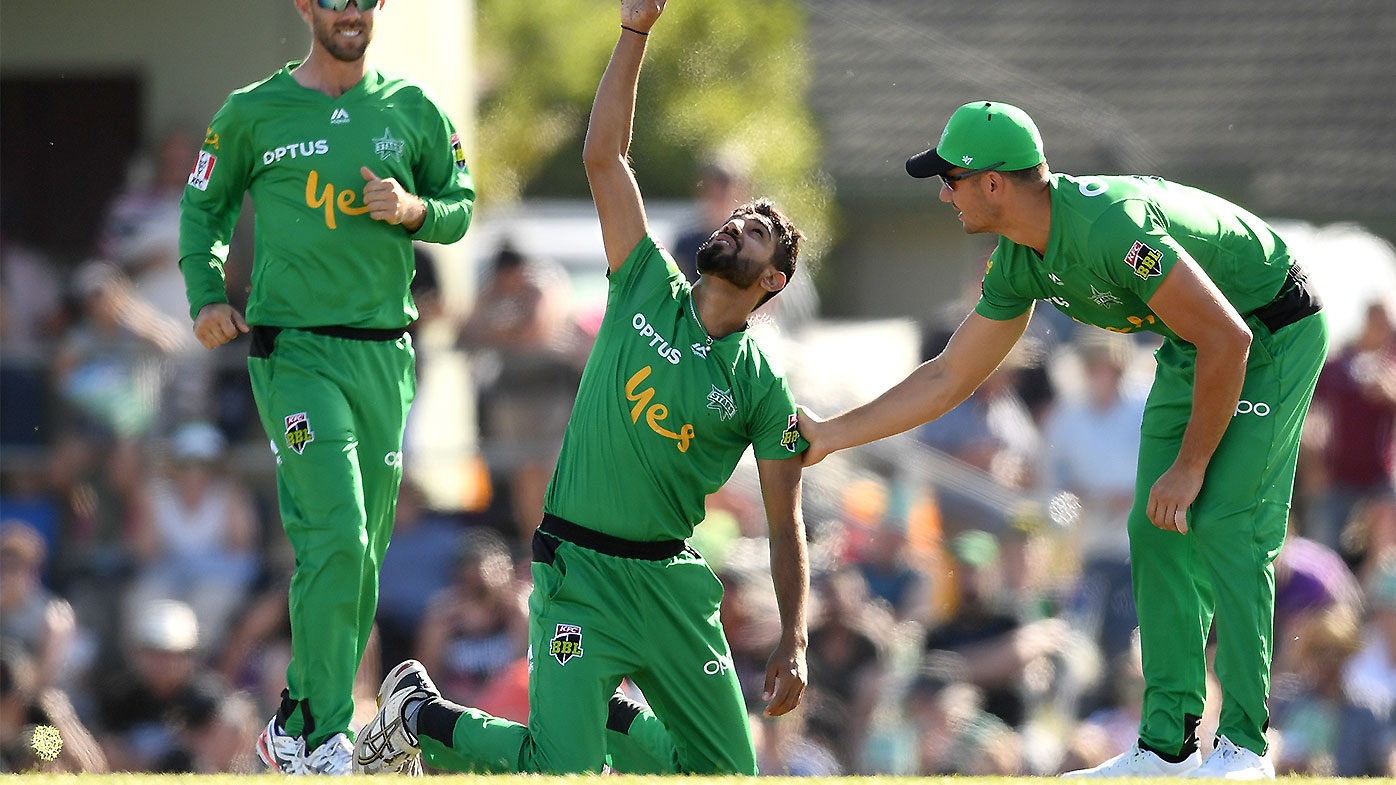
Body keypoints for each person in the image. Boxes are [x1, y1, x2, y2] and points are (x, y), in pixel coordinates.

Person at [799, 101, 1328, 779]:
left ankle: (1245, 749)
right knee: (1154, 528)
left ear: (994, 183)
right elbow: (948, 375)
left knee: (1228, 523)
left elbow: (1230, 336)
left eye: (952, 179)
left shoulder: (1111, 228)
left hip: (1272, 328)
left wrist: (1192, 465)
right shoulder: (1018, 260)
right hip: (1196, 343)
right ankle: (1166, 748)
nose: (943, 194)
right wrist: (832, 434)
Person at [354, 0, 810, 775]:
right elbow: (605, 157)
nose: (734, 225)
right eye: (736, 219)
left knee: (726, 774)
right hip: (580, 571)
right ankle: (418, 714)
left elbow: (785, 517)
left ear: (772, 280)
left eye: (755, 232)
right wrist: (634, 33)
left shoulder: (761, 383)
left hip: (670, 585)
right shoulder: (646, 282)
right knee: (561, 769)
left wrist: (794, 634)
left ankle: (603, 711)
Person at [177, 0, 475, 774]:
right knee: (336, 534)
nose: (350, 11)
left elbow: (460, 207)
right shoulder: (251, 111)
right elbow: (204, 206)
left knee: (362, 549)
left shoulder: (413, 108)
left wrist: (413, 209)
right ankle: (318, 724)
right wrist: (206, 295)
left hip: (385, 352)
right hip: (297, 353)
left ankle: (296, 725)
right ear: (306, 6)